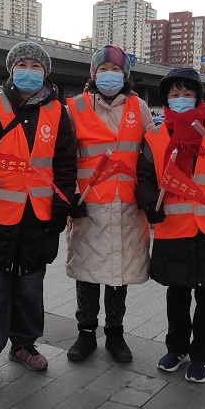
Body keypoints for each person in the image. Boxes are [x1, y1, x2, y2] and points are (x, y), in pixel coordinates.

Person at [0, 41, 77, 389]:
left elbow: (66, 165)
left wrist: (62, 206)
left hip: (38, 217)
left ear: (45, 73)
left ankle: (24, 345)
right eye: (22, 64)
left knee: (30, 287)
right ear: (11, 71)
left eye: (36, 66)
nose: (29, 71)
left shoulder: (58, 112)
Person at [136, 68, 205, 383]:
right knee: (177, 295)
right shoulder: (156, 137)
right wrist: (148, 204)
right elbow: (144, 177)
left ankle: (201, 356)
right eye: (175, 94)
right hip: (174, 229)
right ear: (166, 100)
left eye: (188, 93)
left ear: (199, 97)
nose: (182, 99)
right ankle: (177, 349)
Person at [65, 45, 155, 363]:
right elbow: (62, 157)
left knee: (119, 274)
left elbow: (153, 150)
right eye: (103, 69)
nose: (109, 75)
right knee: (88, 271)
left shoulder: (138, 107)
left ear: (125, 75)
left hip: (128, 205)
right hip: (88, 204)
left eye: (116, 70)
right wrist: (68, 196)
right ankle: (85, 333)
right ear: (93, 74)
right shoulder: (73, 107)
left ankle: (115, 334)